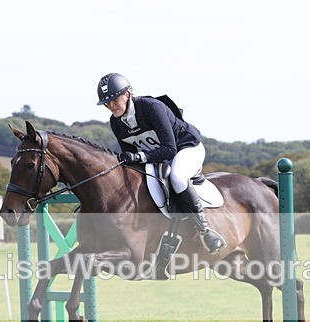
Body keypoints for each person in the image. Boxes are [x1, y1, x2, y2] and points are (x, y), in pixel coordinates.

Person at [96, 73, 226, 255]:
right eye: (106, 103)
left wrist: (138, 157)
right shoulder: (116, 122)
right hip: (158, 157)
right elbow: (130, 156)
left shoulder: (151, 108)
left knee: (177, 177)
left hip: (185, 147)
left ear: (128, 94)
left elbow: (170, 149)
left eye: (114, 99)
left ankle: (204, 230)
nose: (111, 106)